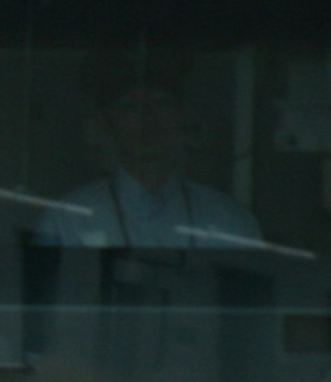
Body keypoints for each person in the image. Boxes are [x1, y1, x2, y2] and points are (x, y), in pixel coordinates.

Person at [42, 59, 263, 253]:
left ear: (180, 115)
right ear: (106, 123)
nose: (147, 117)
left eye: (161, 102)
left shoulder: (229, 220)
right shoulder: (68, 220)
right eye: (130, 105)